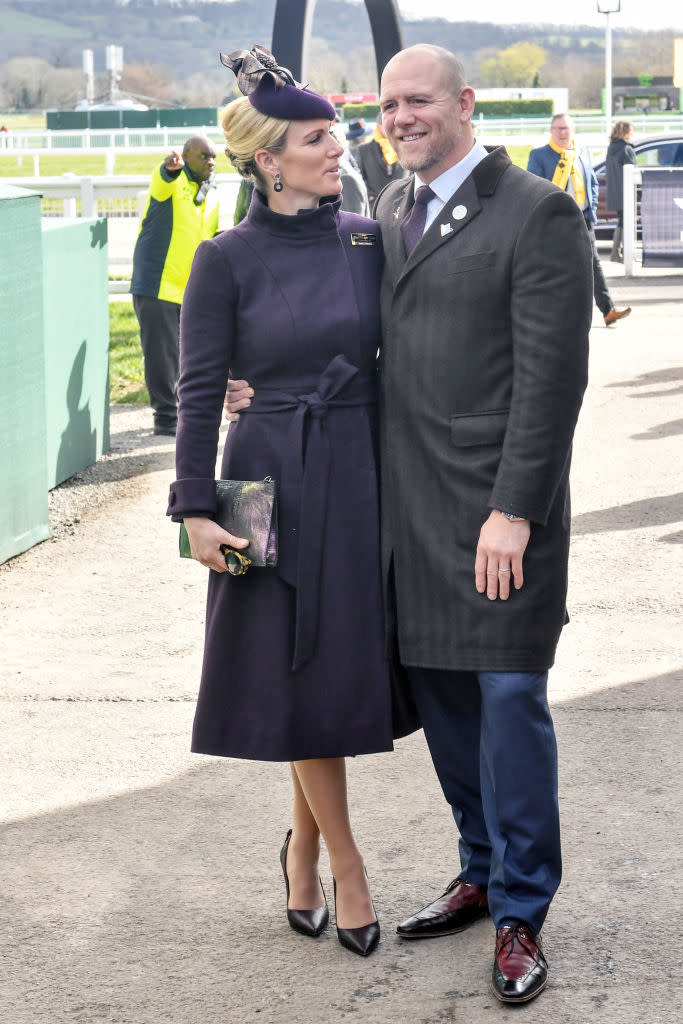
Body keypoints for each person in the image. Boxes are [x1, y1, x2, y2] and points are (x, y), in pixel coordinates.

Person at [227, 44, 592, 1004]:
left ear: (465, 104)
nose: (399, 118)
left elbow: (552, 384)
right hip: (400, 517)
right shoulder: (383, 213)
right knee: (446, 710)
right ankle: (478, 869)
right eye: (386, 105)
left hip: (496, 519)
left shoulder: (537, 212)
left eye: (418, 100)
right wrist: (251, 377)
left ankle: (520, 912)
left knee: (509, 703)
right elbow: (326, 320)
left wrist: (513, 511)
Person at [166, 45, 416, 959]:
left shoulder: (364, 236)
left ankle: (303, 847)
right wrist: (195, 511)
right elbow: (198, 393)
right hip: (263, 479)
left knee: (330, 669)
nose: (339, 145)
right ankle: (347, 863)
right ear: (268, 158)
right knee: (292, 670)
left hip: (355, 469)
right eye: (319, 136)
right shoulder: (224, 258)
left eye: (338, 132)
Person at [131, 136, 219, 435]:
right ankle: (166, 417)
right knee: (161, 354)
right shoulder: (172, 184)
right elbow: (162, 178)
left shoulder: (210, 195)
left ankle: (184, 412)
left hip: (188, 289)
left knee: (188, 356)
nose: (210, 162)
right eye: (203, 156)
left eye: (213, 157)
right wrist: (169, 169)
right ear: (185, 157)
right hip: (157, 284)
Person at [527, 114, 631, 327]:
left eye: (566, 128)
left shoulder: (582, 152)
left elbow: (592, 182)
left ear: (573, 130)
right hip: (554, 220)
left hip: (583, 218)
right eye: (558, 128)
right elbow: (532, 188)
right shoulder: (539, 155)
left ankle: (608, 309)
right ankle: (548, 311)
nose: (563, 133)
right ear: (551, 131)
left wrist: (591, 208)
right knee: (554, 266)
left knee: (593, 265)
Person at [355, 111, 408, 205]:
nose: (393, 128)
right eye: (387, 124)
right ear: (378, 126)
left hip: (403, 204)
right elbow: (358, 177)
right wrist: (369, 195)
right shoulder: (364, 150)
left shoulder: (407, 145)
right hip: (376, 205)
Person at [605, 120, 636, 262]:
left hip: (615, 192)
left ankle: (615, 252)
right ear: (626, 132)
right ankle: (619, 253)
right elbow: (632, 171)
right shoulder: (626, 149)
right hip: (626, 190)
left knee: (621, 221)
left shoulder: (611, 148)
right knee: (626, 222)